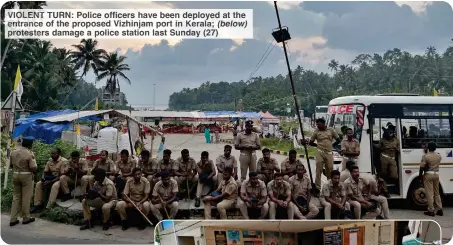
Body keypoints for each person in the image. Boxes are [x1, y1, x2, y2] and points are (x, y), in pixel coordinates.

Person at [303, 118, 340, 190]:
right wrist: (317, 145)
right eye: (317, 124)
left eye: (319, 124)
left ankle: (330, 187)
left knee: (330, 169)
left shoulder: (331, 130)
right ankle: (317, 188)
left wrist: (332, 145)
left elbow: (338, 139)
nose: (317, 126)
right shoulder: (316, 131)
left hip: (329, 152)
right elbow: (311, 142)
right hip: (320, 152)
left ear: (323, 124)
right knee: (318, 169)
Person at [9, 136, 37, 226]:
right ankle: (26, 218)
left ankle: (13, 219)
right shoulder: (30, 153)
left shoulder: (13, 152)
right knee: (26, 197)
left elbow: (11, 165)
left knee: (16, 197)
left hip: (15, 175)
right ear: (31, 144)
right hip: (26, 176)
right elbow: (33, 167)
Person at [31, 148, 68, 213]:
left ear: (58, 154)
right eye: (51, 153)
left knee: (55, 186)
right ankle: (37, 205)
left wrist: (50, 181)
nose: (52, 155)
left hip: (60, 179)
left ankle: (48, 207)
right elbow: (45, 172)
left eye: (54, 154)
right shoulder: (50, 160)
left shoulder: (64, 161)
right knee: (39, 184)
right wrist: (43, 179)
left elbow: (62, 175)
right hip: (50, 178)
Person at [419, 142, 443, 217]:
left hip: (428, 175)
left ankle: (431, 210)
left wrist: (420, 176)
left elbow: (422, 167)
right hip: (436, 174)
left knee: (429, 193)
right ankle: (439, 209)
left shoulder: (425, 156)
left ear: (428, 148)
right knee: (437, 192)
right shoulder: (439, 156)